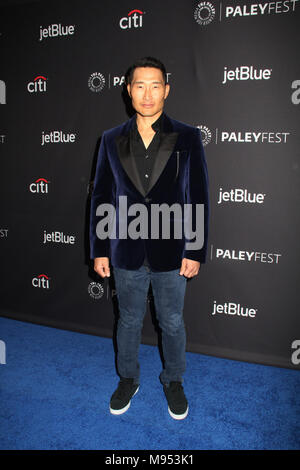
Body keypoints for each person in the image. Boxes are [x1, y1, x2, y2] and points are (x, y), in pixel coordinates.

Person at [90, 57, 209, 420]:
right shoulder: (111, 139)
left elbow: (198, 194)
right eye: (139, 85)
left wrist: (196, 249)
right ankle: (128, 378)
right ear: (128, 91)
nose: (147, 93)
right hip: (124, 249)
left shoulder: (187, 136)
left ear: (166, 90)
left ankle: (174, 380)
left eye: (155, 85)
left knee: (171, 321)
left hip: (172, 250)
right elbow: (102, 196)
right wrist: (99, 249)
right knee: (128, 319)